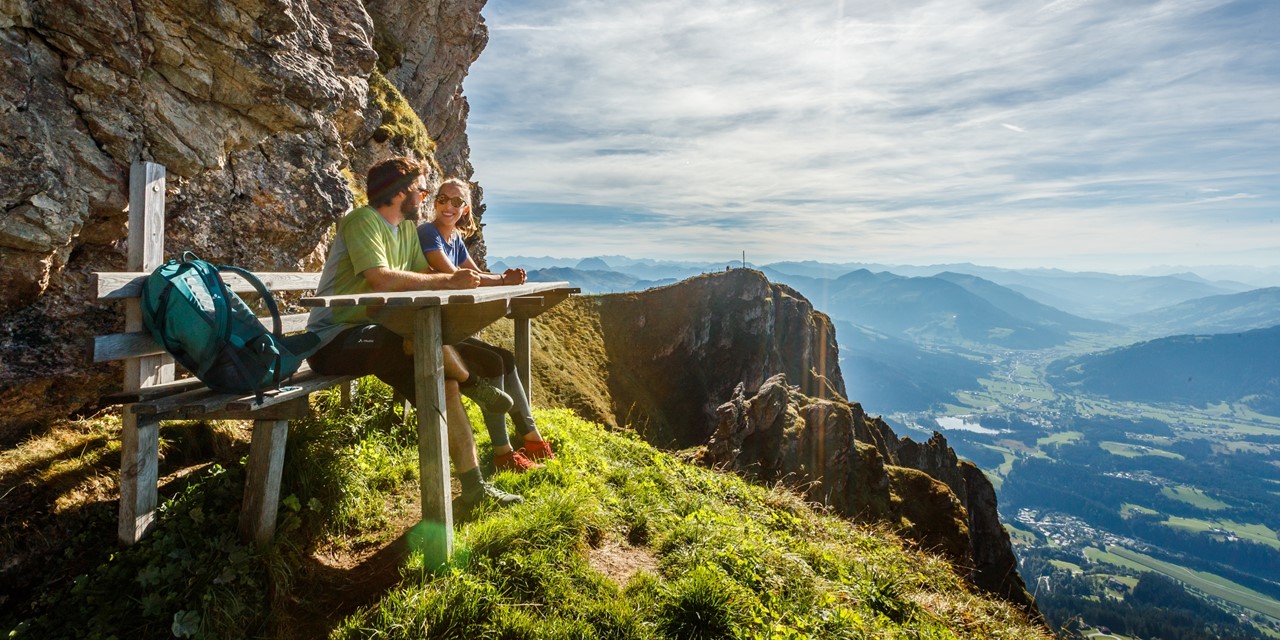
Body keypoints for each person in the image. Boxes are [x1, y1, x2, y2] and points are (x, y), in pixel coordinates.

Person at [306, 157, 522, 518]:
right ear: (400, 192)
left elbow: (421, 275)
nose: (424, 197)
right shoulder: (363, 221)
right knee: (423, 344)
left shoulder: (406, 231)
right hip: (334, 340)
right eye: (422, 190)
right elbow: (382, 279)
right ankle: (473, 383)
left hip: (381, 332)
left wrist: (463, 280)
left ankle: (475, 488)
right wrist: (449, 280)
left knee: (440, 376)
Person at [419, 177, 556, 473]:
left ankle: (531, 437)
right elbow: (456, 275)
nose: (448, 206)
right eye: (443, 199)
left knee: (504, 358)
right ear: (435, 201)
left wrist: (505, 279)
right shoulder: (428, 233)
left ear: (465, 209)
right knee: (494, 363)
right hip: (430, 329)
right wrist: (503, 280)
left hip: (448, 326)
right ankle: (502, 452)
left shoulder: (455, 238)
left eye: (457, 202)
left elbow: (476, 274)